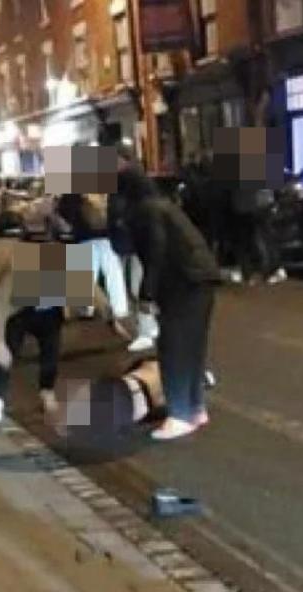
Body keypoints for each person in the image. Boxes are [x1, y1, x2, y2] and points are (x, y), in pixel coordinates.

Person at [117, 148, 221, 441]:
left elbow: (155, 252)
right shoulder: (161, 205)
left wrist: (147, 293)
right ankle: (194, 407)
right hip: (200, 278)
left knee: (173, 349)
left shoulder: (145, 211)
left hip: (183, 282)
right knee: (192, 347)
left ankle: (180, 414)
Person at [0, 245, 66, 423]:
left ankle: (47, 390)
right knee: (6, 353)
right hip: (19, 312)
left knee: (51, 349)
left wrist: (110, 314)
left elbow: (93, 290)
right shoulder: (14, 280)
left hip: (49, 315)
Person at [57, 192, 131, 338]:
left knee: (85, 275)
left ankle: (85, 308)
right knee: (114, 273)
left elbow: (64, 211)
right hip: (107, 236)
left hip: (82, 235)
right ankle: (120, 307)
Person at [108, 177, 159, 353]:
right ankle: (148, 327)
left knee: (137, 287)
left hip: (129, 243)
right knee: (137, 286)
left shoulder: (123, 193)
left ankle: (145, 330)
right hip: (134, 243)